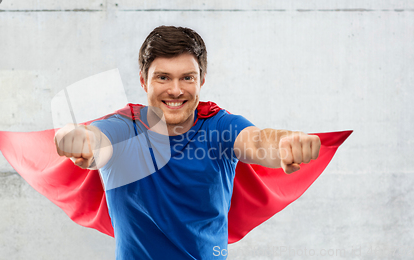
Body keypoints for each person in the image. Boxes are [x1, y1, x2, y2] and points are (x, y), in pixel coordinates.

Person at [54, 26, 321, 259]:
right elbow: (96, 141)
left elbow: (259, 141)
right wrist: (77, 138)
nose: (176, 90)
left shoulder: (219, 126)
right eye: (163, 77)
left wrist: (285, 142)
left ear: (201, 80)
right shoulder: (124, 126)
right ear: (143, 82)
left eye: (187, 77)